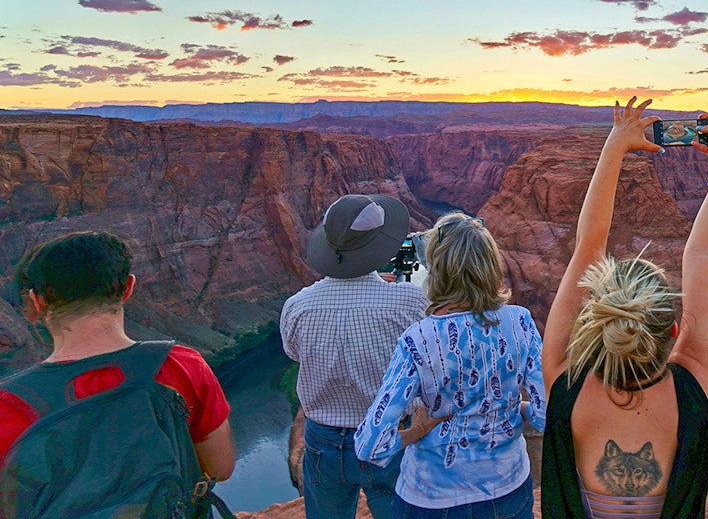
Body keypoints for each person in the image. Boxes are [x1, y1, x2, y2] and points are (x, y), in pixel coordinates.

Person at [542, 97, 708, 518]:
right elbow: (702, 258)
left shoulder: (565, 381)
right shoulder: (697, 389)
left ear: (597, 325)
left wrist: (614, 146)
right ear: (673, 331)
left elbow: (588, 247)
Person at [0, 231, 234, 516]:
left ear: (38, 301)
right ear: (128, 288)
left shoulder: (7, 404)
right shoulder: (182, 366)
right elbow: (220, 469)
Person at [355, 212, 545, 519]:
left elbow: (370, 445)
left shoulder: (417, 340)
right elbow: (543, 413)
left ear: (438, 269)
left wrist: (415, 433)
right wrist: (511, 405)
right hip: (507, 493)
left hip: (431, 499)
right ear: (490, 265)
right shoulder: (520, 322)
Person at [281, 193, 430, 519]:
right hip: (387, 437)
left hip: (322, 441)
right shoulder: (407, 301)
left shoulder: (297, 306)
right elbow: (426, 354)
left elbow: (293, 352)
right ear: (379, 246)